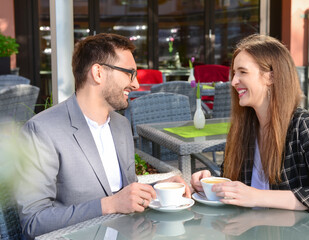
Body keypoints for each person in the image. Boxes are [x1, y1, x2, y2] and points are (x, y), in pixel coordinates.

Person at [15, 33, 190, 239]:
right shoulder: (41, 131)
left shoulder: (121, 124)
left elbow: (124, 194)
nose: (135, 85)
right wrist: (109, 205)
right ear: (98, 73)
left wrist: (163, 188)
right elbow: (33, 222)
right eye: (129, 73)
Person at [191, 34, 309, 212]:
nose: (234, 81)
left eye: (242, 72)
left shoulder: (303, 125)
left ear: (271, 77)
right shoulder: (244, 127)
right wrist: (210, 184)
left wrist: (257, 197)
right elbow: (237, 186)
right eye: (234, 73)